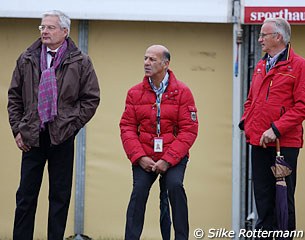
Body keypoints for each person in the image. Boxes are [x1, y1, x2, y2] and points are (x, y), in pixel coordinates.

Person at [7, 10, 100, 240]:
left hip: (62, 137)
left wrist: (71, 126)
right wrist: (18, 129)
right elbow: (14, 97)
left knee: (59, 196)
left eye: (50, 27)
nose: (44, 31)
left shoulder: (81, 61)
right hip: (32, 136)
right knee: (26, 196)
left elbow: (90, 99)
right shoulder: (27, 58)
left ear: (65, 32)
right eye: (42, 27)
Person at [120, 44, 198, 240]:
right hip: (144, 156)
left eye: (152, 59)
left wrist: (168, 160)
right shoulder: (134, 93)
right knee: (138, 193)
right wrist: (139, 157)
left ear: (166, 64)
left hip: (174, 157)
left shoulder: (183, 92)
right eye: (145, 58)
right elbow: (127, 127)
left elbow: (189, 130)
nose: (146, 63)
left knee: (175, 187)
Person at [239, 17, 305, 239]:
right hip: (259, 142)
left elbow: (301, 106)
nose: (259, 40)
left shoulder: (299, 66)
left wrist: (275, 129)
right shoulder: (260, 65)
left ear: (278, 37)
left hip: (283, 145)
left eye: (263, 35)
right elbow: (251, 101)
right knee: (263, 197)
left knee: (282, 198)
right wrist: (247, 124)